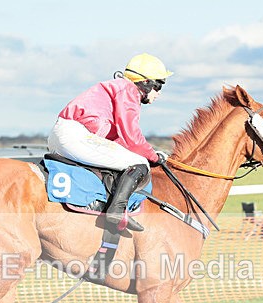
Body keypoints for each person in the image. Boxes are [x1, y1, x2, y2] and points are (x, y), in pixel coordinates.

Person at [48, 53, 173, 232]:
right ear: (146, 83)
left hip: (63, 134)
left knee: (125, 159)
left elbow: (121, 140)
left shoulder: (118, 88)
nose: (158, 93)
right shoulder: (129, 90)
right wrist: (154, 157)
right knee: (140, 163)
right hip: (74, 135)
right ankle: (117, 210)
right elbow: (132, 137)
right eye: (158, 86)